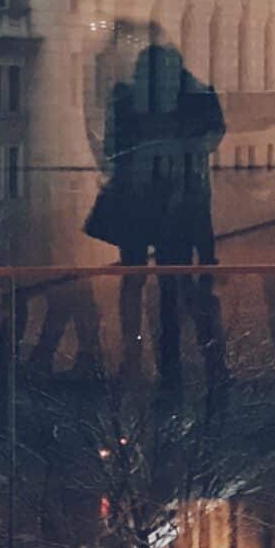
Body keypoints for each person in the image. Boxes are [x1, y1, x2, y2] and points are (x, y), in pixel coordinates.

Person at [84, 41, 225, 384]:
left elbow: (113, 149)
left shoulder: (125, 97)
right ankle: (185, 360)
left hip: (138, 198)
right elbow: (210, 140)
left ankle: (136, 359)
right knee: (174, 282)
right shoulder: (198, 95)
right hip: (179, 202)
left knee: (135, 278)